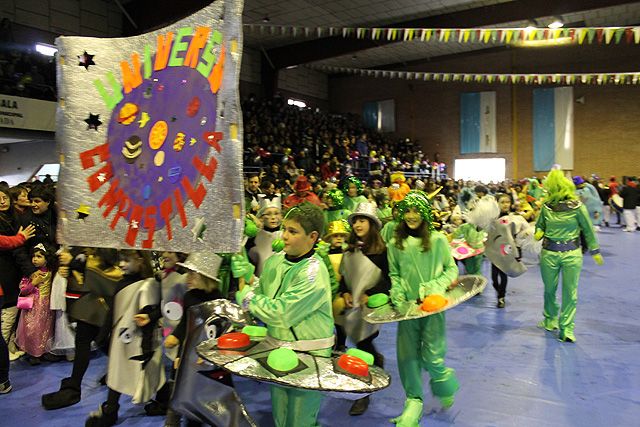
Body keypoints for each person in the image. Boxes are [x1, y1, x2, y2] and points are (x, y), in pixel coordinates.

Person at [234, 202, 333, 427]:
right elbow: (264, 290)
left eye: (293, 231)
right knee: (280, 417)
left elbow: (281, 313)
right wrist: (249, 276)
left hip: (309, 356)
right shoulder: (276, 260)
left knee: (299, 420)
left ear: (313, 236)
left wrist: (248, 298)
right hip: (278, 349)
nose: (285, 236)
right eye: (285, 229)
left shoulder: (313, 274)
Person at [387, 191, 459, 426]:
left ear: (426, 213)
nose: (411, 216)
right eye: (407, 210)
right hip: (407, 309)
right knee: (407, 357)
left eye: (416, 211)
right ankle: (413, 402)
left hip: (433, 307)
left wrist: (434, 288)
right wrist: (397, 294)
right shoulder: (395, 243)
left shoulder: (437, 240)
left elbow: (451, 269)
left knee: (433, 357)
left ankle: (443, 382)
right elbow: (394, 273)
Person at [86, 250, 164, 426]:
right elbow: (113, 311)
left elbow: (151, 313)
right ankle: (111, 409)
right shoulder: (123, 282)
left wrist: (147, 345)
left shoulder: (148, 285)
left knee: (150, 373)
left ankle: (163, 398)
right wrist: (102, 335)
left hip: (139, 339)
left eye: (126, 260)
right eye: (120, 260)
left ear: (140, 260)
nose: (121, 264)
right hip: (122, 338)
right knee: (117, 373)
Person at [41, 248, 122, 410]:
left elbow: (108, 272)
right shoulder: (91, 247)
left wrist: (73, 263)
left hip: (99, 305)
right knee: (98, 341)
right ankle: (118, 371)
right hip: (92, 304)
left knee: (86, 342)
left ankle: (74, 387)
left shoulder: (107, 245)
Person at [535, 170, 603, 343]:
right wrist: (539, 232)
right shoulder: (546, 207)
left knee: (570, 292)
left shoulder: (578, 207)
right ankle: (550, 319)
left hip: (572, 254)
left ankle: (567, 328)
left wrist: (595, 250)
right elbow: (539, 225)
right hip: (549, 253)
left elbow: (588, 230)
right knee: (549, 289)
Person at [338, 202, 391, 416]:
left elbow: (388, 280)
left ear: (372, 224)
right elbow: (344, 278)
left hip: (369, 309)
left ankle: (363, 394)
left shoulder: (382, 252)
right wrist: (345, 293)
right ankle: (376, 360)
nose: (358, 225)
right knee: (349, 342)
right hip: (349, 308)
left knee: (362, 346)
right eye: (355, 221)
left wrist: (371, 294)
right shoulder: (349, 250)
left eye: (362, 220)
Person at [15, 243, 57, 363]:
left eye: (39, 256)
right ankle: (34, 353)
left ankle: (44, 351)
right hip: (34, 306)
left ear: (47, 258)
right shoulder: (32, 273)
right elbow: (23, 289)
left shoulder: (50, 271)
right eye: (33, 256)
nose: (35, 259)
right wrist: (33, 283)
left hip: (47, 305)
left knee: (46, 328)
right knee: (33, 329)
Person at [246, 195, 283, 276]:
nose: (273, 217)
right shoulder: (255, 237)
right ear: (261, 217)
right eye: (268, 214)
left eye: (276, 213)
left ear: (281, 216)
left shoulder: (286, 235)